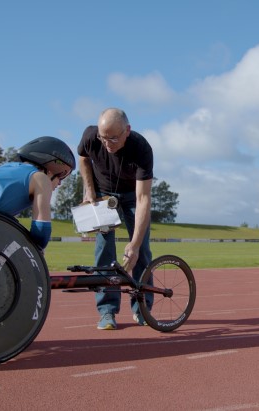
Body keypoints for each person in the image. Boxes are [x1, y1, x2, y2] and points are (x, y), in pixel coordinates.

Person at [78, 108, 154, 330]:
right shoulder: (91, 137)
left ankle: (142, 309)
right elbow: (83, 158)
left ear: (127, 131)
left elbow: (143, 198)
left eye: (113, 138)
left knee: (141, 251)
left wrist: (135, 244)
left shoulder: (141, 148)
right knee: (104, 250)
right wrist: (89, 190)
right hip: (104, 194)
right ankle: (107, 311)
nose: (107, 143)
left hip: (132, 196)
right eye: (104, 137)